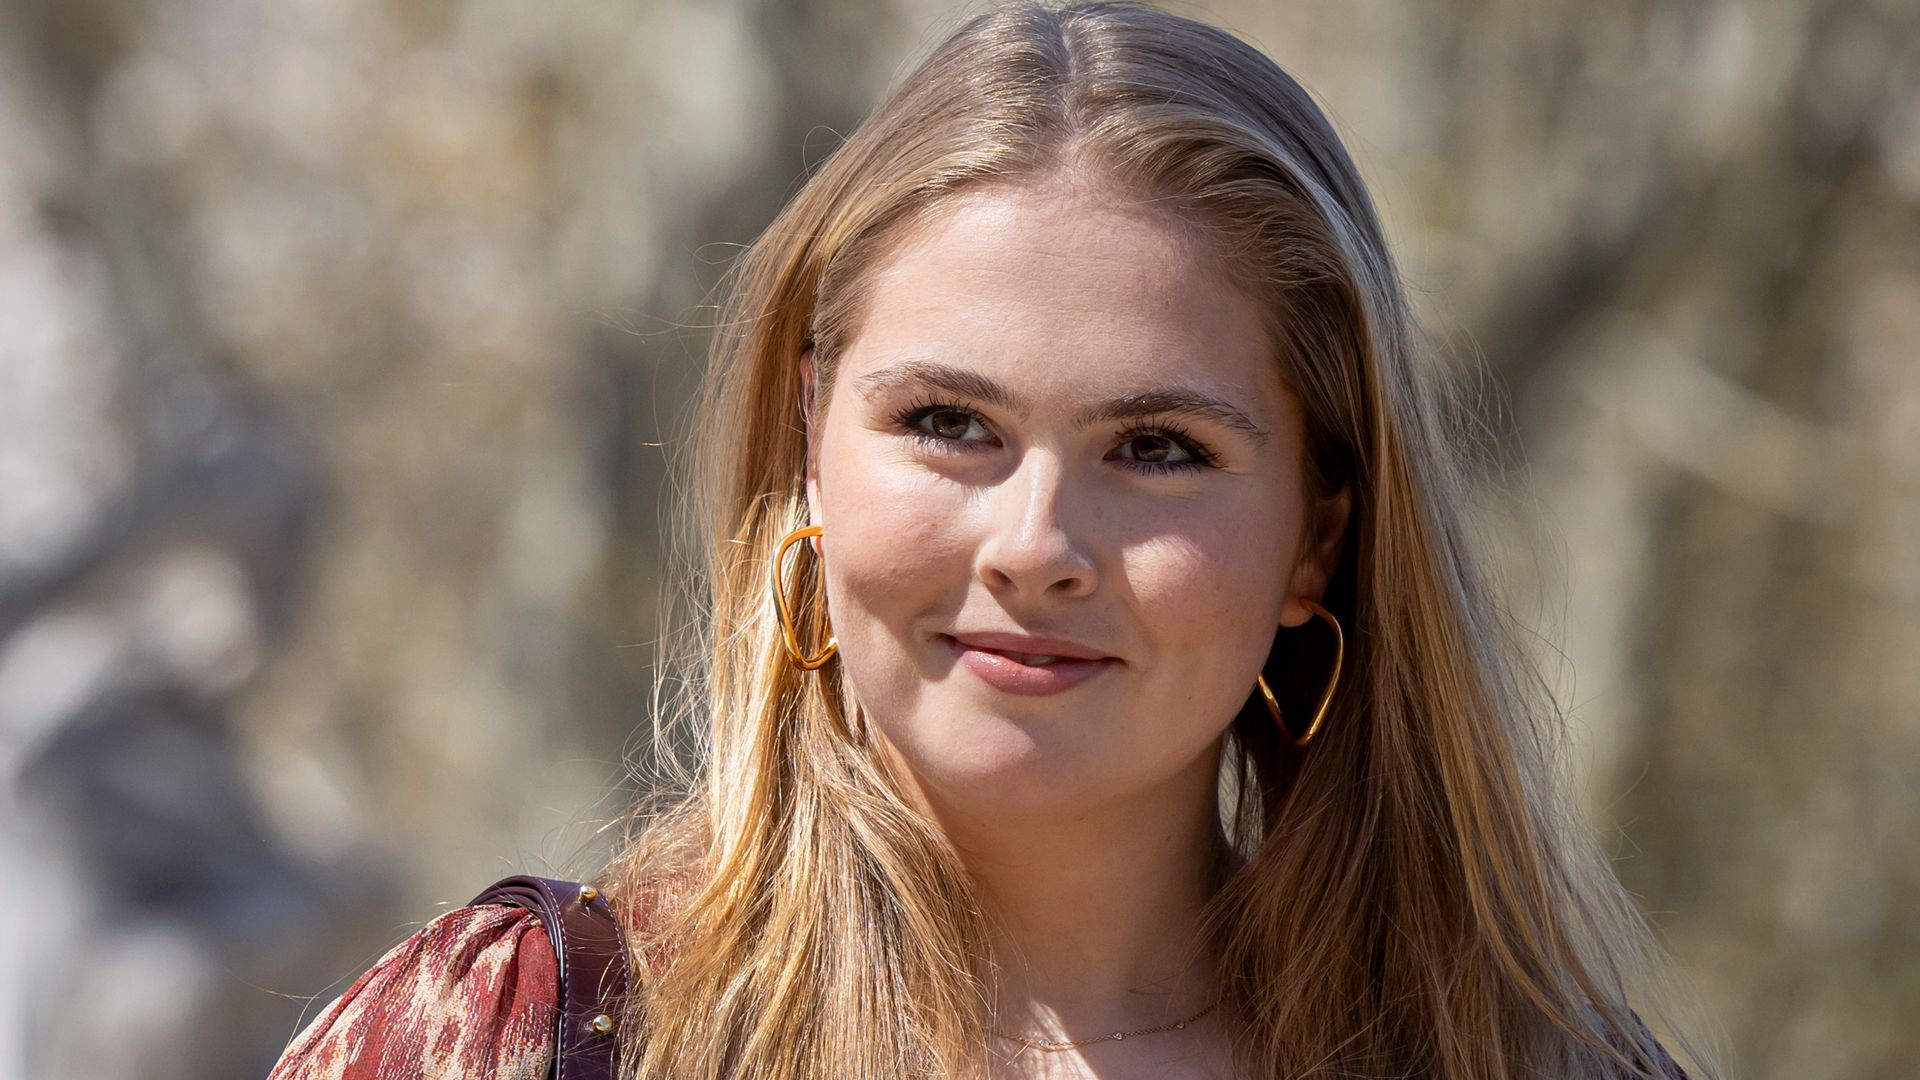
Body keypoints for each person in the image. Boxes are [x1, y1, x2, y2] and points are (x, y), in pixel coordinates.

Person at [267, 2, 1714, 1078]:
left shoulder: (1538, 1063)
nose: (1036, 545)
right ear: (807, 452)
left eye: (1158, 449)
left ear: (1316, 540)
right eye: (950, 423)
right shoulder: (526, 1037)